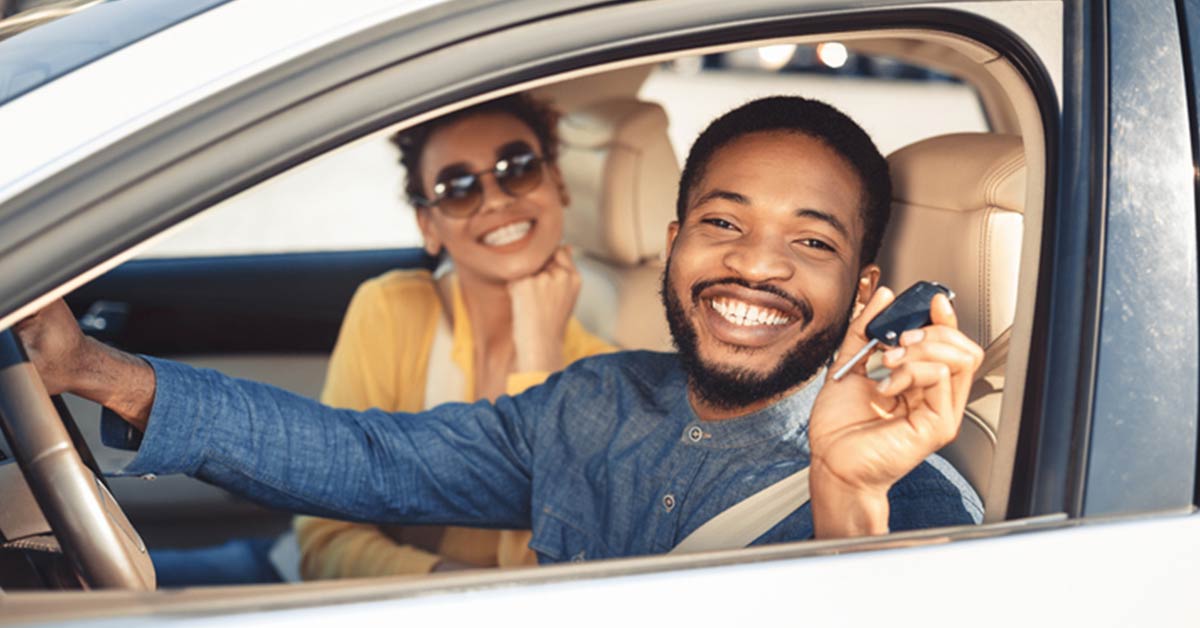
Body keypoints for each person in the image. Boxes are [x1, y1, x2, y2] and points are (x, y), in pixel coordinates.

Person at [16, 96, 985, 561]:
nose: (756, 266)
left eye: (810, 242)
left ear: (863, 290)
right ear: (674, 244)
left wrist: (846, 498)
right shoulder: (592, 401)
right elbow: (363, 457)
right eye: (723, 224)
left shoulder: (908, 493)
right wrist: (96, 368)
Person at [295, 94, 613, 578]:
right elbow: (324, 540)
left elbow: (551, 579)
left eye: (519, 168)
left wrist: (539, 363)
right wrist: (448, 585)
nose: (497, 199)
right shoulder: (390, 310)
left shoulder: (605, 378)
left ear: (558, 184)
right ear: (429, 226)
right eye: (459, 188)